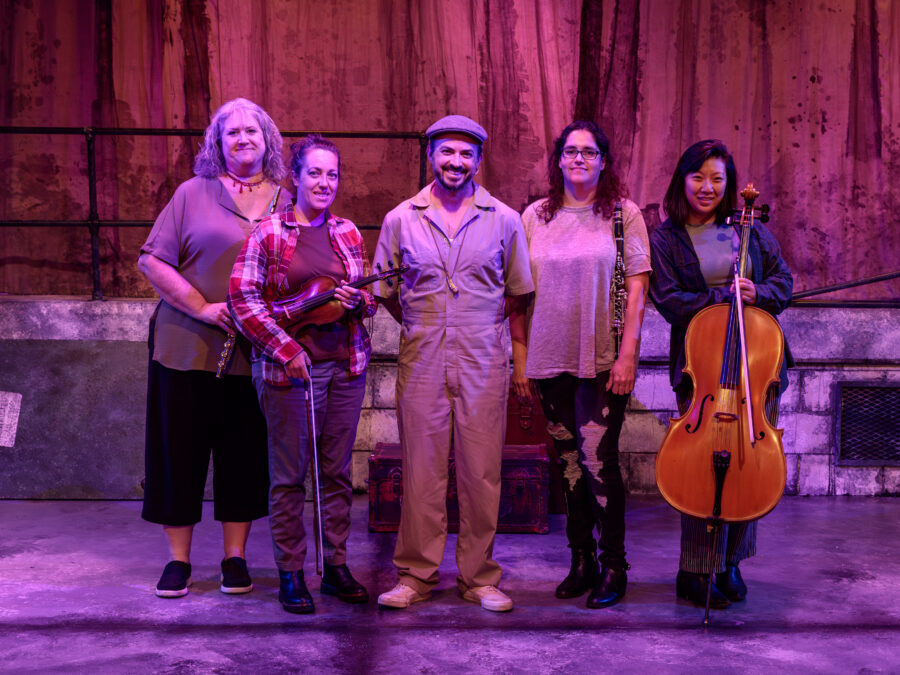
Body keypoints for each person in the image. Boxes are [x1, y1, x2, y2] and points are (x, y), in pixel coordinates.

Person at [372, 115, 534, 612]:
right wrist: (424, 324)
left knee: (481, 473)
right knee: (421, 473)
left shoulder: (504, 219)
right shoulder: (401, 219)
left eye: (466, 154)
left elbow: (517, 292)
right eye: (446, 151)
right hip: (421, 359)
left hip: (482, 361)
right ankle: (415, 575)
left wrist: (479, 329)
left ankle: (479, 577)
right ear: (430, 156)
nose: (456, 162)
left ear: (479, 161)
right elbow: (386, 290)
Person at [138, 97, 291, 598]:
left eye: (252, 131)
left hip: (254, 352)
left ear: (268, 140)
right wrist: (202, 307)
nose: (243, 139)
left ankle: (235, 557)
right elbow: (152, 261)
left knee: (242, 454)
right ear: (217, 143)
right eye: (232, 132)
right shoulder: (192, 193)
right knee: (178, 453)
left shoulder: (286, 202)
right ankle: (178, 560)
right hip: (186, 346)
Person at [228, 134, 376, 614]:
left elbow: (366, 296)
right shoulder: (269, 232)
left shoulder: (348, 232)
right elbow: (242, 300)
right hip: (289, 373)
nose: (324, 182)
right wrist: (285, 348)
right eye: (314, 173)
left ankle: (334, 566)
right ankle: (291, 572)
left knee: (336, 474)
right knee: (290, 476)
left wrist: (358, 300)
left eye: (332, 174)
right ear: (295, 177)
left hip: (346, 368)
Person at [510, 121, 651, 608]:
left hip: (602, 360)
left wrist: (628, 355)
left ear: (603, 161)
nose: (579, 159)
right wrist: (520, 360)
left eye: (589, 152)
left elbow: (637, 287)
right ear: (558, 160)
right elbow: (517, 292)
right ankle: (581, 559)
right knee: (568, 463)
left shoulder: (623, 215)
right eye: (570, 151)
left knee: (597, 463)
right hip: (548, 358)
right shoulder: (535, 216)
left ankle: (614, 565)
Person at [648, 139, 793, 608]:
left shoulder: (748, 229)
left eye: (717, 178)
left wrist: (758, 292)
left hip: (755, 367)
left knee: (749, 467)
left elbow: (784, 283)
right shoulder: (666, 238)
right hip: (702, 369)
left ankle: (730, 563)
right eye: (698, 176)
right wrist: (721, 298)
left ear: (728, 185)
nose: (707, 187)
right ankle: (694, 569)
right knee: (697, 471)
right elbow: (669, 300)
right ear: (682, 180)